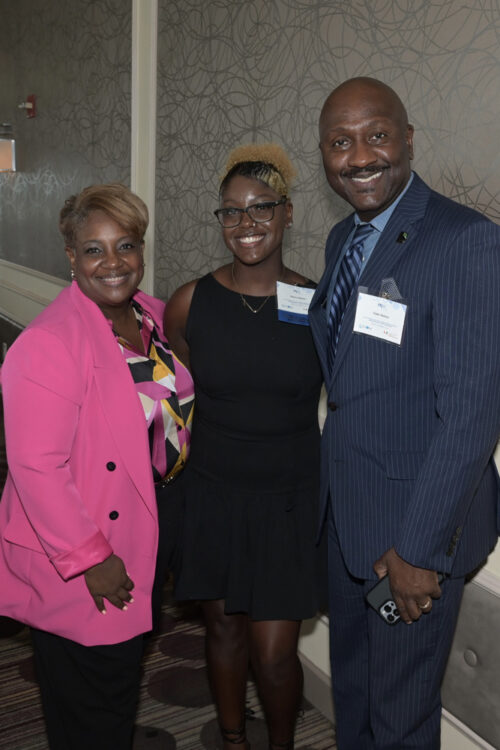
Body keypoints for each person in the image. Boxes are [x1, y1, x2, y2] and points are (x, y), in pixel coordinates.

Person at [308, 76, 500, 749]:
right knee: (354, 695)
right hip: (348, 520)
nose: (359, 157)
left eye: (376, 135)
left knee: (400, 721)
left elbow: (472, 416)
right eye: (340, 142)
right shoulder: (342, 240)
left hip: (411, 535)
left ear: (408, 138)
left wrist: (419, 550)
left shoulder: (465, 241)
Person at [0, 183, 194, 749]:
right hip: (89, 543)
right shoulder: (50, 343)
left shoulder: (153, 316)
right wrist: (91, 558)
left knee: (114, 687)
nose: (113, 263)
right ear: (71, 256)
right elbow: (35, 466)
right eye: (94, 249)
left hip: (146, 524)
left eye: (126, 245)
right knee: (94, 704)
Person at [165, 143, 323, 750]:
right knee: (224, 633)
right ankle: (231, 739)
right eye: (231, 211)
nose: (246, 224)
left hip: (287, 501)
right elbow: (174, 393)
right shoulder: (191, 301)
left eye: (261, 208)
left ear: (287, 214)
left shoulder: (316, 303)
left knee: (276, 653)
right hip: (214, 494)